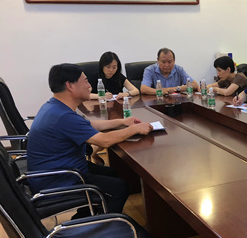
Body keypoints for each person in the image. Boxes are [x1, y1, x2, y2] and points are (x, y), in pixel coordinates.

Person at [27, 64, 153, 216]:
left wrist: (122, 122)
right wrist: (135, 129)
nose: (89, 86)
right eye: (85, 81)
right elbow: (104, 141)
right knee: (119, 188)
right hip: (59, 179)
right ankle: (100, 225)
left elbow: (89, 124)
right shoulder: (63, 116)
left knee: (112, 173)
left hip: (59, 169)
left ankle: (85, 216)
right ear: (70, 86)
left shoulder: (55, 107)